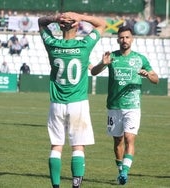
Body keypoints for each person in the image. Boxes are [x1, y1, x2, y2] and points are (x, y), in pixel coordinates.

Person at [38, 12, 106, 188]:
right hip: (78, 103)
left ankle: (56, 186)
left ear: (61, 26)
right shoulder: (84, 45)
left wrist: (56, 18)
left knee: (56, 147)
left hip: (56, 103)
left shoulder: (52, 44)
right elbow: (101, 24)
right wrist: (80, 16)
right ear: (76, 25)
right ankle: (76, 186)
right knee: (78, 147)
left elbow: (41, 22)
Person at [91, 26, 159, 185]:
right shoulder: (112, 57)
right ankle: (121, 169)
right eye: (121, 38)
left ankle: (125, 173)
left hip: (132, 106)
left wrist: (148, 75)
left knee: (129, 138)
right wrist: (102, 63)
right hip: (114, 106)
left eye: (127, 37)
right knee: (117, 141)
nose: (124, 40)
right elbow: (94, 72)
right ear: (117, 40)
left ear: (132, 39)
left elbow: (156, 79)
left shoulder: (140, 59)